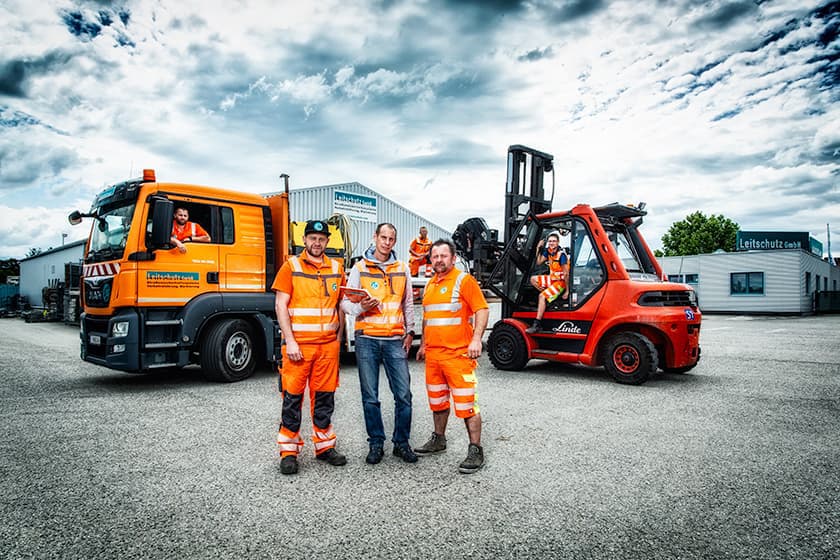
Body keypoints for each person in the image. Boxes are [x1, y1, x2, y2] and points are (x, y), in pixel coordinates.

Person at [272, 220, 347, 475]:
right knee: (292, 400)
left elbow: (340, 305)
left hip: (327, 347)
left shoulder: (337, 268)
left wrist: (338, 340)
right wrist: (290, 340)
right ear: (304, 240)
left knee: (324, 399)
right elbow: (280, 305)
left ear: (327, 242)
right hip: (298, 348)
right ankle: (289, 452)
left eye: (321, 239)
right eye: (312, 238)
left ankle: (324, 446)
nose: (317, 243)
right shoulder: (290, 266)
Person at [340, 223, 418, 465]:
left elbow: (407, 304)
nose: (386, 242)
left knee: (404, 395)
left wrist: (411, 332)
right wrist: (359, 307)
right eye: (383, 237)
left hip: (395, 339)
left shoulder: (402, 268)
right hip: (367, 340)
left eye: (391, 239)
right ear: (375, 237)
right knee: (370, 396)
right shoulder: (359, 268)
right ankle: (376, 443)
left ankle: (401, 443)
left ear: (395, 241)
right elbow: (344, 303)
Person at [414, 239, 489, 474]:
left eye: (443, 256)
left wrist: (476, 339)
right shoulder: (429, 286)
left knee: (467, 405)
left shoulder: (463, 281)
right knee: (437, 402)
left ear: (453, 258)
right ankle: (439, 439)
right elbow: (428, 318)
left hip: (458, 356)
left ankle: (475, 449)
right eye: (435, 256)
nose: (438, 260)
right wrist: (423, 345)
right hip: (434, 357)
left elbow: (482, 309)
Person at [526, 230, 569, 333]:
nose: (551, 243)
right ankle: (548, 299)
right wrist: (538, 248)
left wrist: (567, 291)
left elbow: (566, 273)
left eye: (554, 241)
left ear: (558, 242)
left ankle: (537, 324)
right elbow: (539, 261)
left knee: (541, 296)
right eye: (550, 241)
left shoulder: (561, 255)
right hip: (552, 279)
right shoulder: (548, 251)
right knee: (533, 279)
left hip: (561, 282)